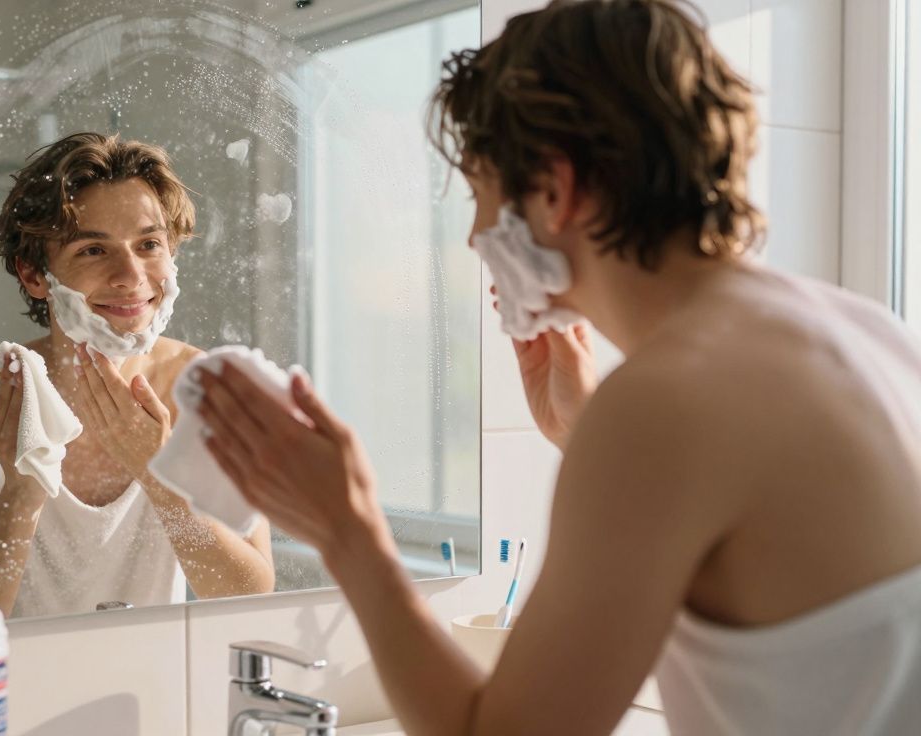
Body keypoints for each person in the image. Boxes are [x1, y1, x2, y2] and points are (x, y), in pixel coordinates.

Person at [196, 2, 921, 733]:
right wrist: (583, 429)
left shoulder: (666, 405)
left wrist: (349, 535)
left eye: (480, 193)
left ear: (552, 189)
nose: (478, 233)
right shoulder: (866, 332)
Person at [0, 133, 274, 623]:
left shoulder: (214, 391)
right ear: (34, 275)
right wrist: (22, 492)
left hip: (156, 689)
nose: (131, 275)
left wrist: (159, 475)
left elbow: (248, 595)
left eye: (149, 244)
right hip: (7, 695)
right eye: (92, 251)